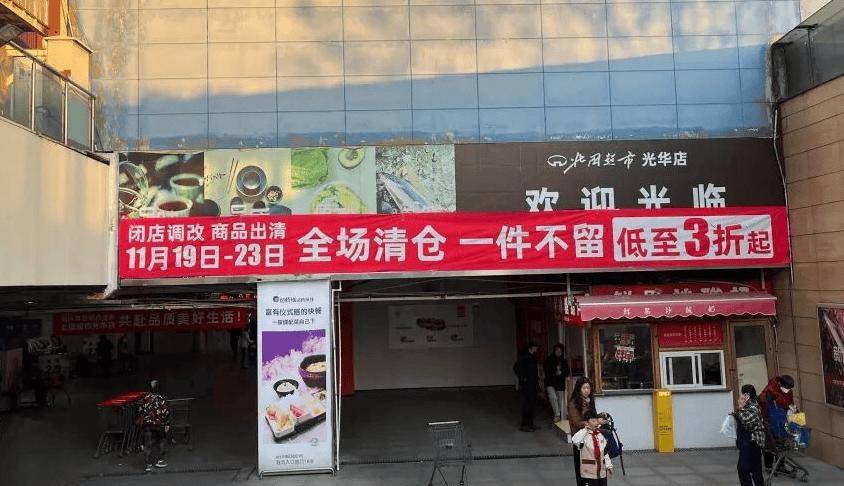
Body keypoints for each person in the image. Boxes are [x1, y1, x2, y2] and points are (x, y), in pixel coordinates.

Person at [568, 377, 607, 486]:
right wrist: (595, 422)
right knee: (582, 467)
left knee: (593, 465)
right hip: (581, 440)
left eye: (588, 388)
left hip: (592, 438)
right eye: (584, 388)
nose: (586, 390)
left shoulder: (589, 401)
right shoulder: (574, 403)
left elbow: (591, 417)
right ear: (578, 389)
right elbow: (577, 422)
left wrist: (600, 416)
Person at [759, 374, 795, 470]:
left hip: (782, 420)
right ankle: (769, 466)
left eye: (789, 389)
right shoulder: (770, 391)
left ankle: (780, 465)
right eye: (786, 388)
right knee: (770, 444)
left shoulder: (788, 391)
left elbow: (790, 403)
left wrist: (793, 410)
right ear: (780, 384)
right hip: (770, 420)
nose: (787, 390)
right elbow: (765, 405)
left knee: (781, 443)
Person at [733, 384, 766, 486]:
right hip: (748, 441)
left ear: (746, 395)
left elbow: (745, 419)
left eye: (742, 393)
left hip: (752, 441)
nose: (740, 396)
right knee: (755, 470)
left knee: (743, 469)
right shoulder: (748, 406)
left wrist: (740, 408)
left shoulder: (753, 406)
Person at [571, 410, 614, 486]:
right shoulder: (583, 435)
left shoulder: (600, 435)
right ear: (586, 423)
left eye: (597, 421)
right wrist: (585, 429)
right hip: (588, 473)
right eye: (593, 421)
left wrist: (609, 465)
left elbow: (604, 452)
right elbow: (575, 440)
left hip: (602, 472)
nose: (596, 423)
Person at [137, 380, 170, 472]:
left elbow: (140, 410)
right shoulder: (161, 399)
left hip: (147, 425)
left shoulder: (145, 398)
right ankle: (160, 460)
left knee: (147, 445)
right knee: (161, 441)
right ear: (158, 388)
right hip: (158, 425)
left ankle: (148, 465)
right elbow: (165, 413)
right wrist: (167, 424)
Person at [513, 342, 540, 432]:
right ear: (531, 348)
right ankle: (524, 425)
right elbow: (516, 367)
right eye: (535, 347)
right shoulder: (524, 357)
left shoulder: (533, 357)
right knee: (527, 405)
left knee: (532, 405)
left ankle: (530, 423)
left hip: (533, 384)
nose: (536, 349)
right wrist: (523, 377)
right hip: (527, 385)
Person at [544, 343, 570, 423]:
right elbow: (546, 369)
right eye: (557, 350)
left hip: (560, 383)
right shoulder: (549, 359)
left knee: (560, 400)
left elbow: (567, 371)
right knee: (553, 397)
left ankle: (561, 415)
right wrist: (555, 371)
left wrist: (561, 372)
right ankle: (557, 415)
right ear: (554, 351)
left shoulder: (563, 361)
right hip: (550, 382)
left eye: (560, 351)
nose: (559, 352)